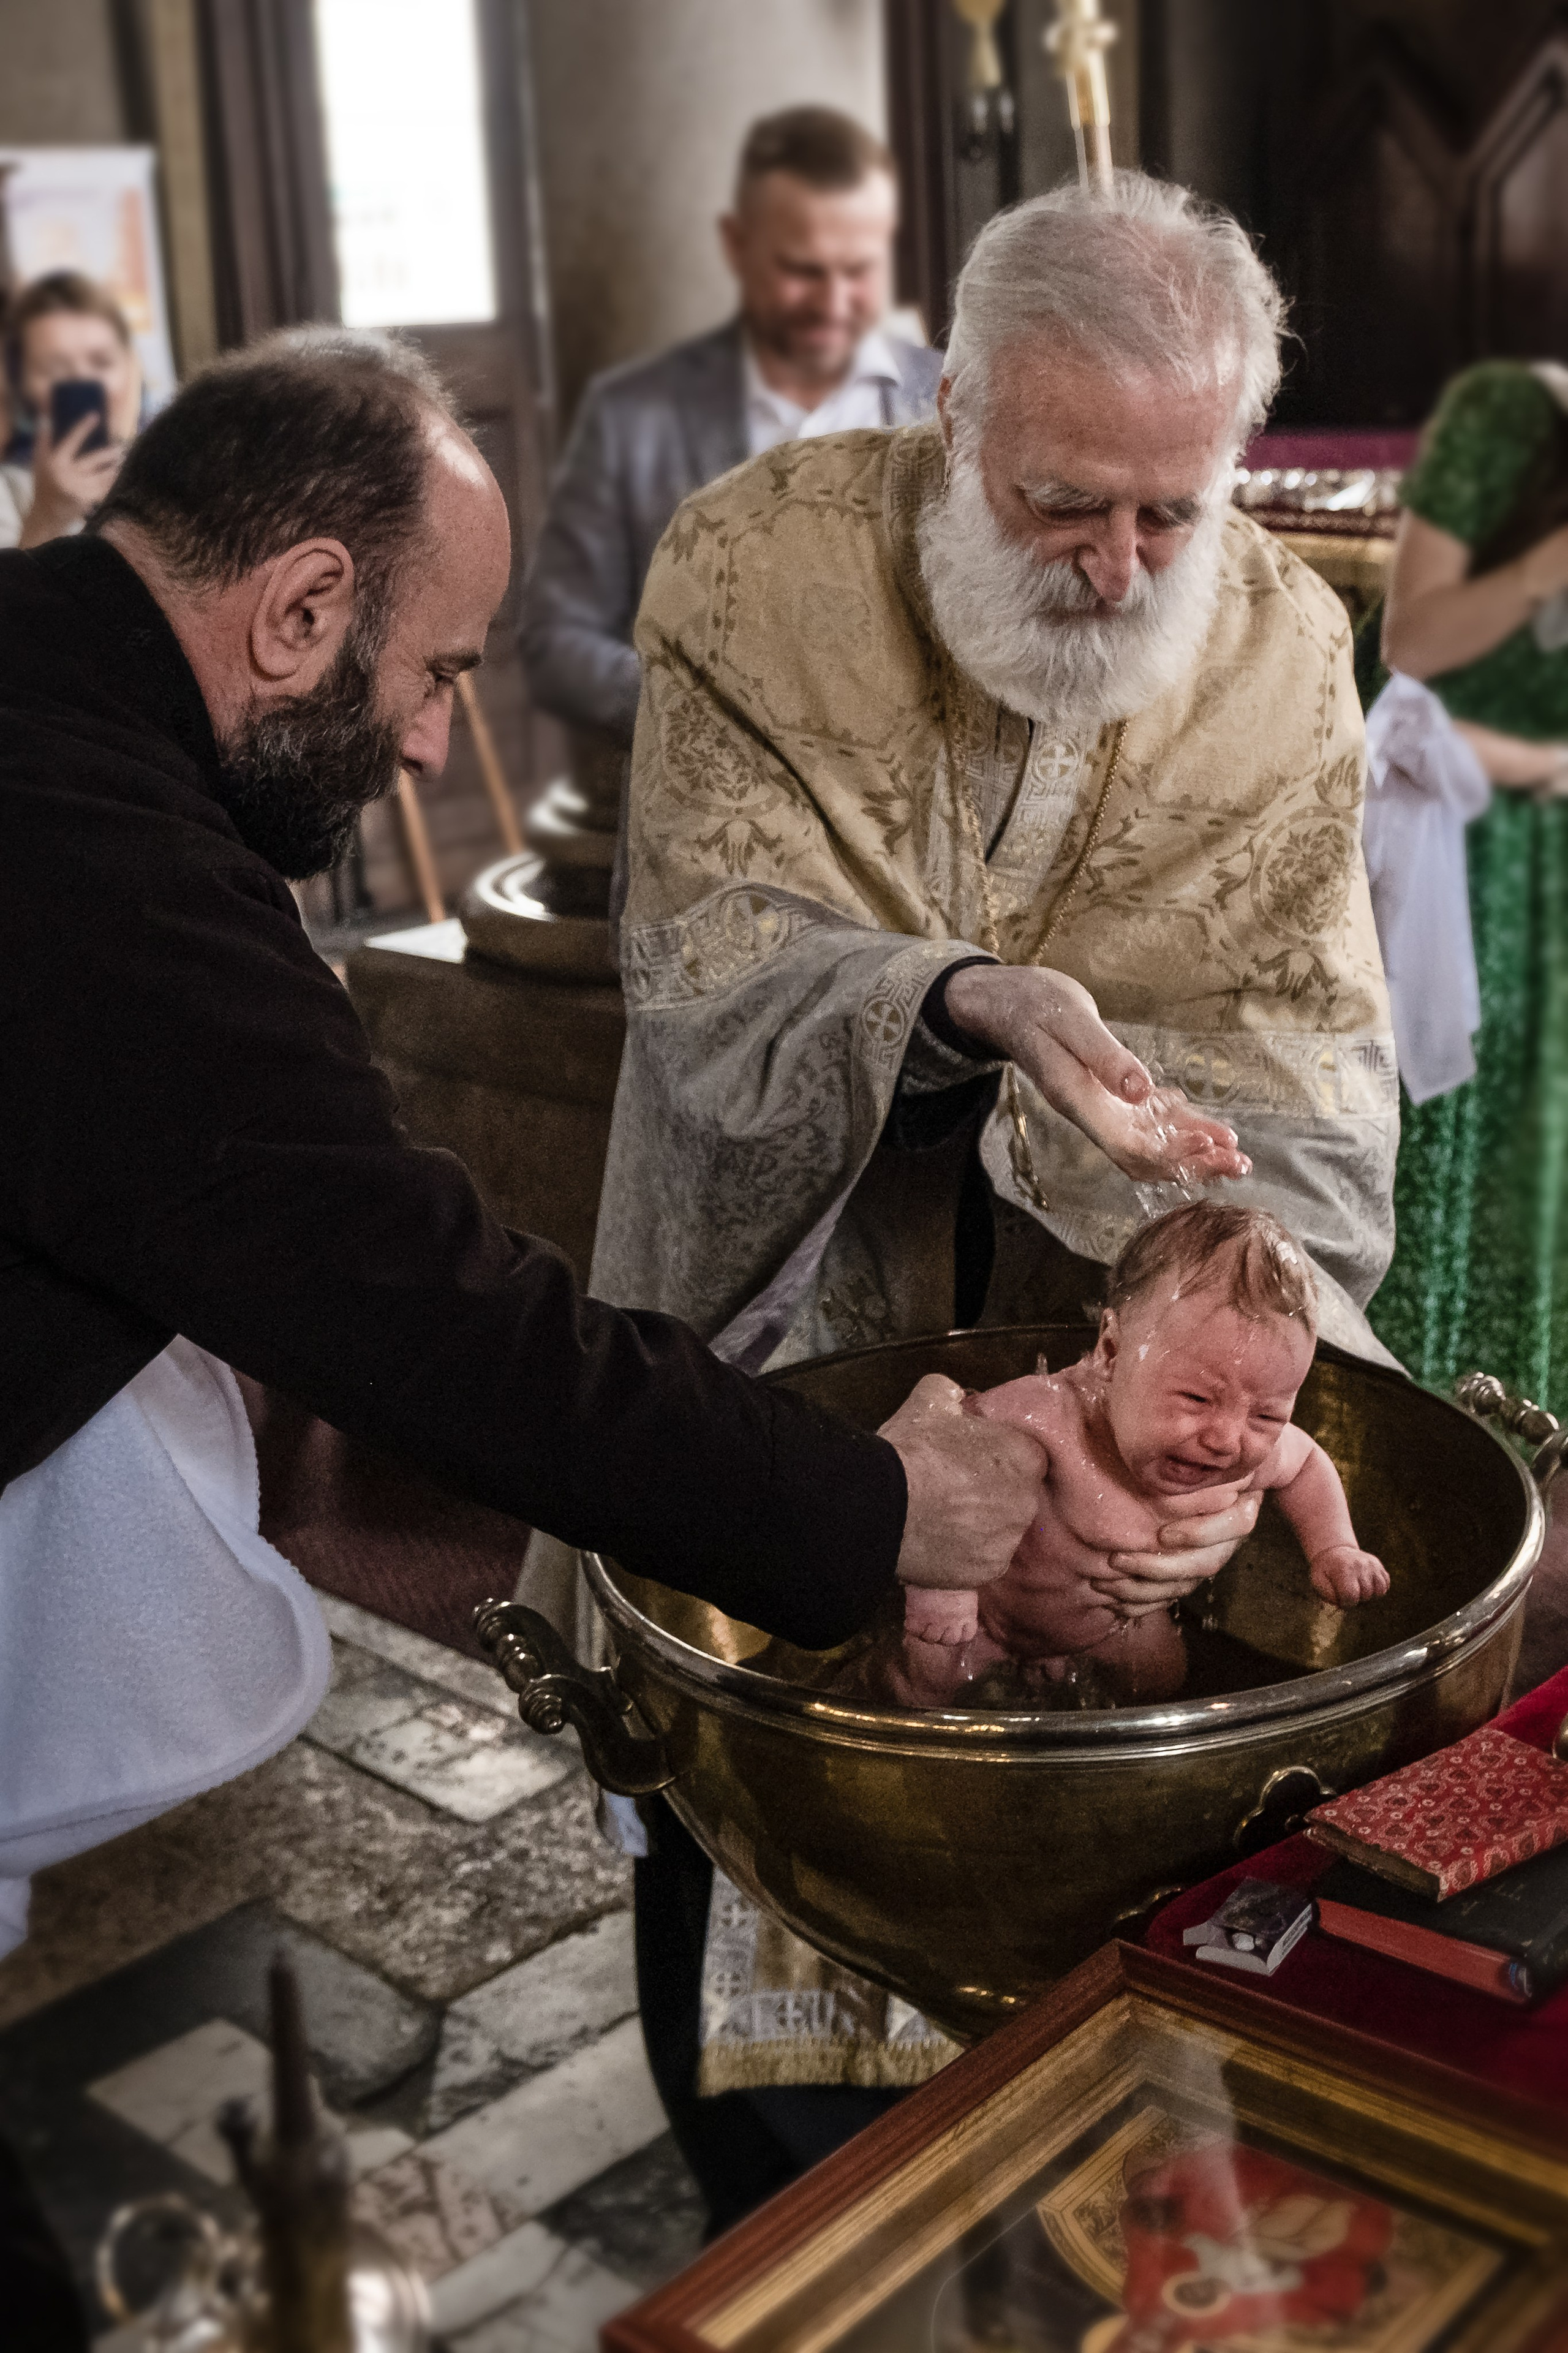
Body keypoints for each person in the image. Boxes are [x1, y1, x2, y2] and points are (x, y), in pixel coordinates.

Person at [592, 170, 1397, 2205]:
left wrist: (1185, 1261)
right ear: (952, 408)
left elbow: (1310, 1039)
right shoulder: (749, 566)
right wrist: (968, 1006)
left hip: (1124, 1435)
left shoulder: (1291, 649)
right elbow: (706, 962)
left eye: (1173, 511)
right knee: (778, 2085)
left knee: (1116, 2077)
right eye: (1063, 503)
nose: (1125, 568)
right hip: (793, 1342)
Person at [519, 105, 943, 757]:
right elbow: (555, 643)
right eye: (802, 270)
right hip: (706, 821)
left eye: (858, 270)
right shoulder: (633, 416)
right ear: (736, 245)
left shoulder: (953, 402)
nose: (833, 303)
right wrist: (706, 707)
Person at [902, 1202, 1388, 1690]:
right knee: (927, 1672)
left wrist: (1334, 1546)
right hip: (986, 1622)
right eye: (1196, 1398)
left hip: (1113, 1629)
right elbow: (946, 1461)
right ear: (1111, 1353)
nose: (1225, 1439)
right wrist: (944, 1587)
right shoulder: (1049, 1417)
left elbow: (1306, 1463)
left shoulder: (1246, 1449)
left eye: (1268, 1414)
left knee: (1164, 1674)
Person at [1360, 361, 1568, 1413]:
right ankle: (1422, 1437)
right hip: (1470, 867)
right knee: (1461, 1168)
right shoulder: (1506, 412)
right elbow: (1405, 651)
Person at [0, 270, 141, 550]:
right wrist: (47, 518)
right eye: (55, 368)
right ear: (24, 385)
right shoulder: (8, 490)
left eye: (101, 362)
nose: (82, 381)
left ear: (130, 368)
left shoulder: (172, 469)